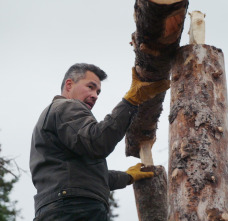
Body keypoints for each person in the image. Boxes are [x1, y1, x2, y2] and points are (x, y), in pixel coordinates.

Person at [30, 63, 170, 220]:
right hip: (73, 208)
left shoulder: (60, 120)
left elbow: (86, 176)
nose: (95, 95)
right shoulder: (66, 107)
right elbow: (97, 142)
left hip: (63, 208)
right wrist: (130, 101)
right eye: (90, 87)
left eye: (98, 91)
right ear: (69, 84)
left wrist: (127, 176)